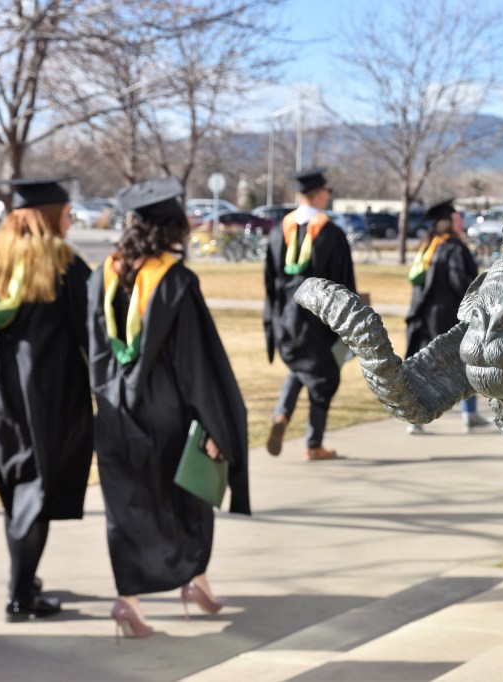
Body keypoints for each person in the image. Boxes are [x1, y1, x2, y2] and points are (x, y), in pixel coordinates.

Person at [88, 177, 249, 639]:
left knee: (128, 509)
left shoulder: (103, 274)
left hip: (116, 412)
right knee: (190, 499)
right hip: (168, 416)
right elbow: (196, 364)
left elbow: (95, 347)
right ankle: (193, 581)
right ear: (173, 226)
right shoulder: (176, 281)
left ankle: (131, 602)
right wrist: (216, 423)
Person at [0, 177, 93, 622]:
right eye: (67, 213)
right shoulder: (62, 262)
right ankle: (20, 595)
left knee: (15, 487)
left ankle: (24, 575)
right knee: (35, 491)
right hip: (43, 395)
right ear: (50, 215)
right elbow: (89, 332)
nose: (70, 220)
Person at [264, 168, 356, 460]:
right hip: (319, 321)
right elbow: (343, 284)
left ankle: (282, 414)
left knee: (299, 369)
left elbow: (269, 282)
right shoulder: (331, 233)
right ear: (318, 194)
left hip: (287, 319)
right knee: (324, 378)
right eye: (327, 191)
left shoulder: (280, 230)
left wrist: (273, 321)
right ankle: (313, 444)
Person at [405, 199, 488, 433]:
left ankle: (414, 419)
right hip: (449, 315)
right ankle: (469, 414)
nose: (461, 220)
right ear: (449, 222)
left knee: (424, 364)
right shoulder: (454, 247)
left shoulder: (428, 246)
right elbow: (463, 283)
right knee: (464, 360)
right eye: (457, 216)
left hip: (424, 314)